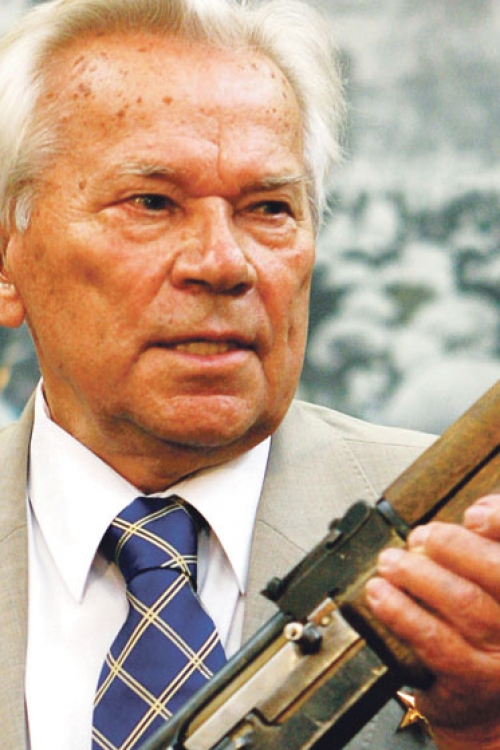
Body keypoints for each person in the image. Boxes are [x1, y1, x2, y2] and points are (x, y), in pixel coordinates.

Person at [0, 1, 499, 748]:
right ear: (8, 259)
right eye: (152, 203)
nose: (224, 262)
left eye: (268, 208)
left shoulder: (468, 540)